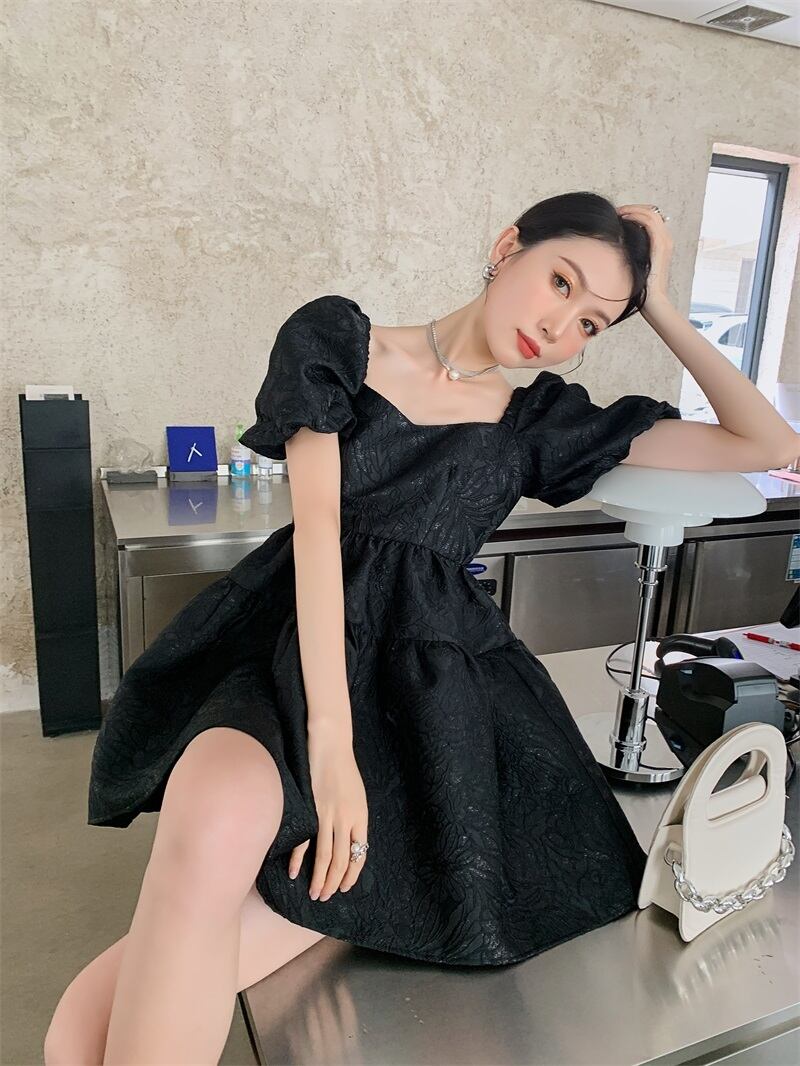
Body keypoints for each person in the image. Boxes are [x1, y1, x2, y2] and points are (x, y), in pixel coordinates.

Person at [45, 191, 799, 1064]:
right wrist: (332, 752)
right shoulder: (336, 341)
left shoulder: (540, 422)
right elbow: (319, 535)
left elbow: (768, 442)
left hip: (432, 698)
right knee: (211, 820)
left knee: (128, 995)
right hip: (293, 647)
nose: (559, 327)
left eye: (592, 322)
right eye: (561, 282)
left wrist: (658, 304)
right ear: (508, 245)